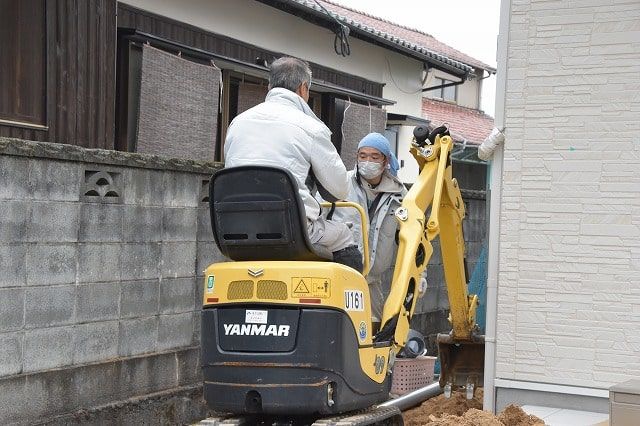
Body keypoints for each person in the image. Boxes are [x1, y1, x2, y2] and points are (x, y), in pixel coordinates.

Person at [223, 57, 362, 272]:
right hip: (292, 230)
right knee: (344, 235)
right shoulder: (311, 128)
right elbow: (340, 189)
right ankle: (346, 307)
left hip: (234, 231)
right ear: (303, 88)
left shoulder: (237, 123)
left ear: (270, 86)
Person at [327, 133, 408, 325]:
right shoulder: (341, 183)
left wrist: (420, 275)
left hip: (372, 282)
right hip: (340, 276)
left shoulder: (399, 195)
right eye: (362, 156)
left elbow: (412, 237)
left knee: (374, 329)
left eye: (374, 156)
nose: (367, 161)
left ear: (385, 160)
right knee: (340, 328)